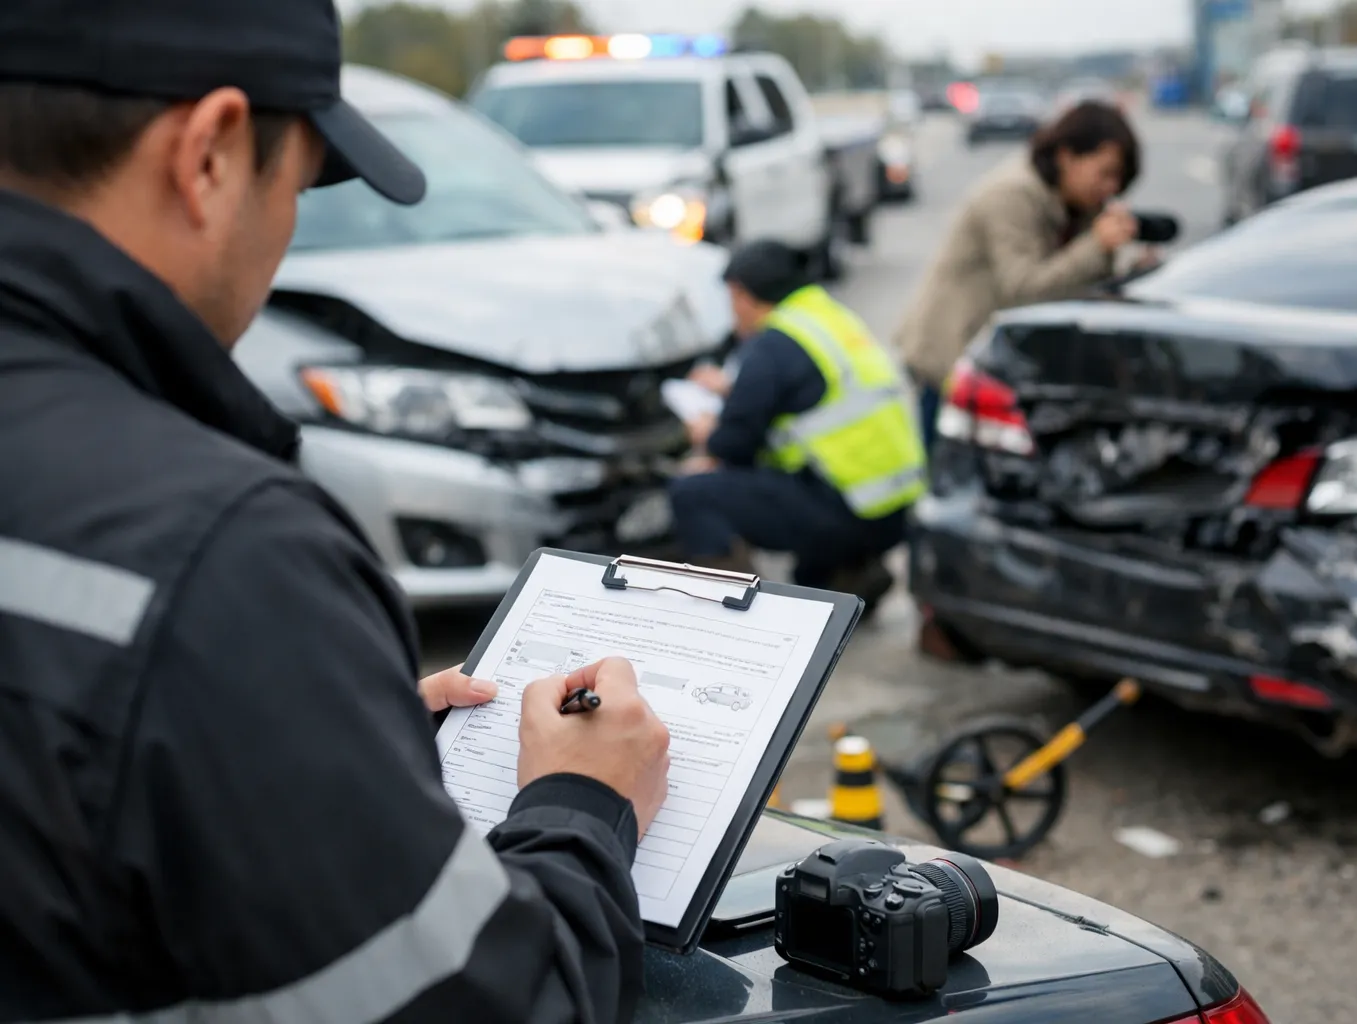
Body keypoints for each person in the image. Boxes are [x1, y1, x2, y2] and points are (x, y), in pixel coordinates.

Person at [0, 1, 670, 1022]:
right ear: (214, 151)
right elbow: (489, 1006)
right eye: (304, 182)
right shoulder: (220, 563)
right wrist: (583, 802)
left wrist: (299, 729)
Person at [669, 240, 925, 606]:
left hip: (846, 512)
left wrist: (706, 434)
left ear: (742, 293)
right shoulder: (827, 319)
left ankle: (734, 610)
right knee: (809, 580)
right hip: (892, 510)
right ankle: (853, 575)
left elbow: (733, 444)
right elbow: (808, 394)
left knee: (691, 493)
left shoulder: (772, 343)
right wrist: (732, 390)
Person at [893, 101, 1144, 451]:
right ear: (1067, 155)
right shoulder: (1012, 195)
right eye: (1104, 173)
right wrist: (1096, 245)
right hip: (951, 362)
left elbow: (1075, 279)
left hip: (996, 364)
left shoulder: (1074, 203)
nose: (1110, 187)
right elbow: (1024, 289)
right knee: (953, 482)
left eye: (1118, 179)